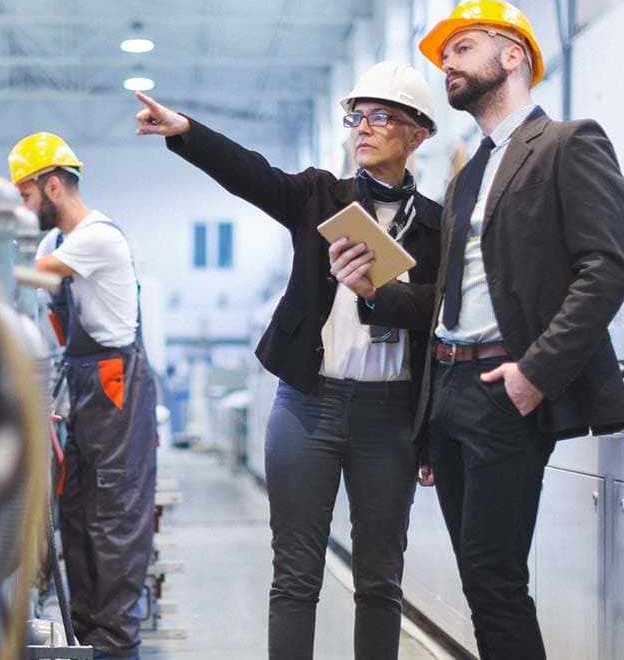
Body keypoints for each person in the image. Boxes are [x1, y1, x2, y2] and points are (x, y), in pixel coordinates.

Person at [134, 61, 441, 660]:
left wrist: (429, 435)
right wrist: (184, 131)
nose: (364, 128)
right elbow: (251, 175)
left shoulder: (435, 226)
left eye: (383, 117)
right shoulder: (320, 196)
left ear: (418, 134)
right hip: (308, 408)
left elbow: (443, 311)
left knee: (381, 582)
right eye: (357, 116)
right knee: (296, 577)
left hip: (391, 418)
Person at [413, 0, 624, 658]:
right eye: (443, 55)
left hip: (505, 385)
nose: (447, 63)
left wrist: (535, 374)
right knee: (482, 582)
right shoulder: (469, 172)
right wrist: (430, 414)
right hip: (450, 387)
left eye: (462, 47)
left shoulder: (568, 143)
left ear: (513, 56)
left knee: (495, 580)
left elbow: (607, 268)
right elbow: (453, 295)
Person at [8, 132, 157, 660]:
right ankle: (89, 638)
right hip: (83, 387)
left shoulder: (95, 237)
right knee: (77, 512)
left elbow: (23, 276)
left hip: (118, 389)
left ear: (53, 186)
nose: (25, 212)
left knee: (113, 518)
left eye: (25, 197)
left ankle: (116, 645)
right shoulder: (54, 244)